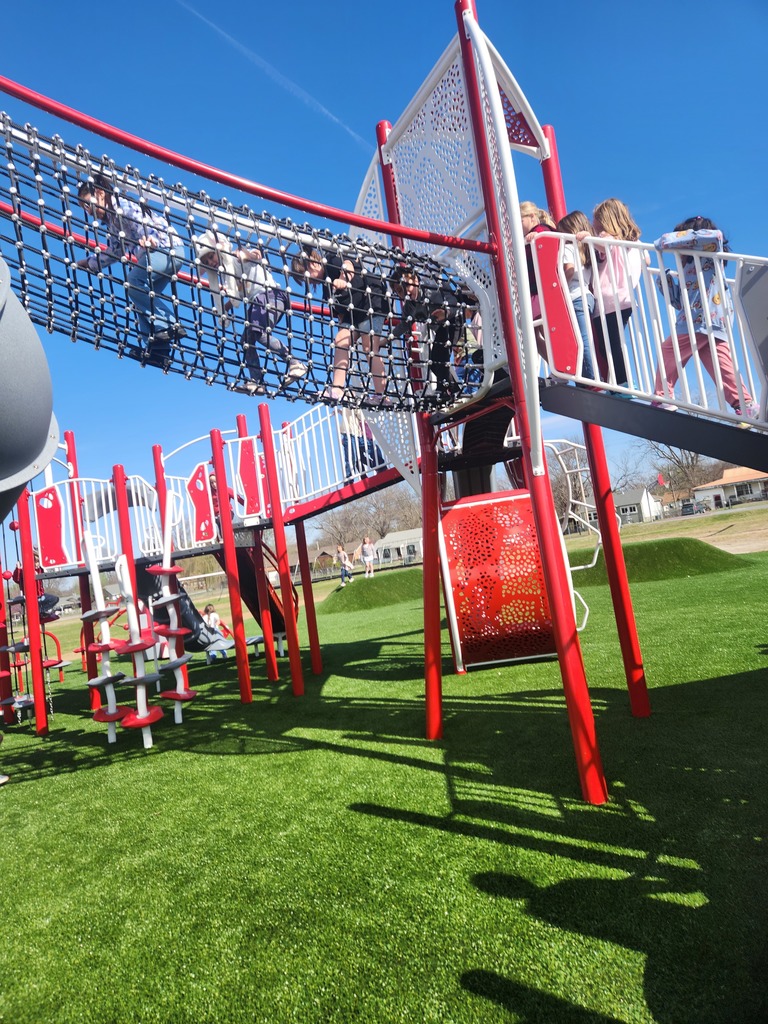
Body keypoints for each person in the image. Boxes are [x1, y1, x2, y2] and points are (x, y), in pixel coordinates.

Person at [653, 217, 758, 418]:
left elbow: (715, 236)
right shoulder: (687, 269)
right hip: (700, 319)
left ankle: (662, 396)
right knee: (720, 363)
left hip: (703, 319)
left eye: (682, 239)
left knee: (669, 350)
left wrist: (666, 240)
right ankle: (745, 405)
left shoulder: (709, 255)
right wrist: (664, 280)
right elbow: (679, 302)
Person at [76, 174, 186, 366]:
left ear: (101, 193)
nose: (89, 211)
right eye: (84, 208)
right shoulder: (111, 221)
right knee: (140, 299)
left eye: (88, 204)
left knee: (132, 283)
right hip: (159, 256)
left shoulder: (121, 207)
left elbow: (142, 221)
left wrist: (150, 239)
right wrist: (91, 263)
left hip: (168, 250)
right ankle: (158, 351)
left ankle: (168, 324)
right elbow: (115, 251)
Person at [194, 228, 307, 395]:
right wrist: (223, 309)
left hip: (269, 297)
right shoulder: (228, 275)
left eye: (211, 256)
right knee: (246, 341)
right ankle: (257, 381)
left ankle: (295, 363)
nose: (211, 262)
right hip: (258, 303)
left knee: (257, 332)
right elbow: (238, 294)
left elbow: (251, 256)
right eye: (206, 261)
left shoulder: (235, 258)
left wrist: (250, 254)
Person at [290, 247, 390, 404]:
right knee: (340, 340)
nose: (307, 280)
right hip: (353, 313)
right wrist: (342, 329)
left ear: (314, 263)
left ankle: (381, 396)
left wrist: (343, 278)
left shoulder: (331, 261)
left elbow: (349, 265)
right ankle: (337, 389)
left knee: (369, 347)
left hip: (371, 302)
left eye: (305, 275)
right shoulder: (326, 288)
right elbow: (340, 312)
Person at [579, 198, 644, 390]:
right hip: (619, 300)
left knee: (611, 345)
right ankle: (617, 383)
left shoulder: (610, 240)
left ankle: (623, 384)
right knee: (608, 345)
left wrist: (586, 237)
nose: (594, 225)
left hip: (611, 300)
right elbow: (646, 259)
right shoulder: (631, 243)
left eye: (596, 221)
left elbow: (603, 243)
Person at [389, 263, 464, 403]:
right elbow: (404, 324)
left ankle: (444, 391)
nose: (405, 292)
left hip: (454, 321)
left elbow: (452, 300)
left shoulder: (431, 289)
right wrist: (388, 338)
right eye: (399, 291)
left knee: (439, 357)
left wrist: (446, 312)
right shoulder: (410, 306)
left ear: (416, 280)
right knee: (435, 363)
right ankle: (453, 389)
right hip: (441, 327)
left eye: (407, 286)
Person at [555, 211, 596, 381]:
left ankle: (589, 380)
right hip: (587, 295)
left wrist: (558, 285)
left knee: (580, 341)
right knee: (584, 339)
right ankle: (587, 378)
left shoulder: (568, 247)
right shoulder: (587, 250)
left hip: (574, 296)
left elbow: (569, 269)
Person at [12, 551, 59, 620]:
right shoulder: (24, 570)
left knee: (54, 599)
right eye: (35, 562)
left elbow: (48, 566)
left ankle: (42, 611)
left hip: (41, 595)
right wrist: (18, 569)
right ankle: (41, 612)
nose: (37, 564)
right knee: (36, 606)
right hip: (31, 596)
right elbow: (16, 579)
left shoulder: (40, 569)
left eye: (38, 562)